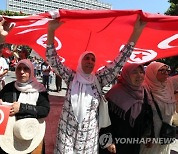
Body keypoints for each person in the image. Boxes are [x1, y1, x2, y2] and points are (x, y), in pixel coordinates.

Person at [45, 15, 146, 154]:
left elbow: (119, 61)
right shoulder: (71, 77)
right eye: (86, 58)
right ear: (81, 61)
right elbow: (53, 60)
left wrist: (136, 33)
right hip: (66, 133)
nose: (90, 61)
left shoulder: (99, 79)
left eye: (93, 59)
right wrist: (51, 31)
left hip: (89, 137)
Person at [99, 63, 153, 154]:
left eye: (141, 72)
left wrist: (150, 135)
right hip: (115, 144)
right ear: (126, 74)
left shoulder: (144, 92)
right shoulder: (114, 94)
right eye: (134, 72)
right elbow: (104, 120)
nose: (139, 75)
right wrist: (108, 141)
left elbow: (148, 116)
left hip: (134, 142)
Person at [0, 59, 50, 154]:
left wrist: (22, 108)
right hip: (8, 136)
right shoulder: (8, 88)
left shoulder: (39, 90)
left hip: (29, 134)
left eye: (26, 68)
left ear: (31, 71)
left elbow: (45, 110)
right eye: (19, 68)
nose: (22, 72)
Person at [140, 61, 178, 154]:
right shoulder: (144, 88)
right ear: (152, 72)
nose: (166, 72)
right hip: (151, 133)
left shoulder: (168, 84)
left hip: (166, 131)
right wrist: (148, 135)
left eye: (167, 70)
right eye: (161, 70)